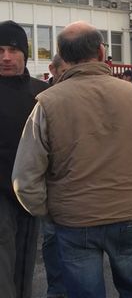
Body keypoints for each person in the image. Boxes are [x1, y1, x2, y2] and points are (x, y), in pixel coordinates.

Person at [11, 21, 132, 298]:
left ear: (62, 54)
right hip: (130, 214)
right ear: (101, 52)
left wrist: (50, 210)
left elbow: (24, 178)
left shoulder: (47, 103)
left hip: (74, 220)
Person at [0, 20, 49, 298]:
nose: (6, 57)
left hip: (32, 196)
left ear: (25, 53)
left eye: (13, 50)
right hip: (1, 197)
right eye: (0, 50)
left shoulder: (42, 93)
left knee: (25, 265)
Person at [42, 53, 70, 298]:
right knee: (53, 246)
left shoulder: (77, 98)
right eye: (65, 71)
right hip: (50, 192)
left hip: (76, 194)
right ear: (53, 70)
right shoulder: (41, 99)